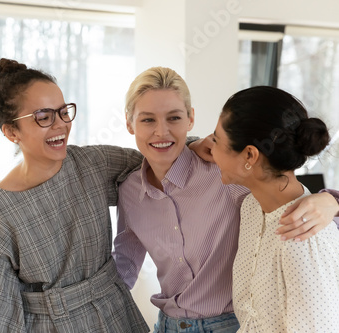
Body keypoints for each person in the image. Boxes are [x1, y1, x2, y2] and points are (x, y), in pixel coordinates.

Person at [112, 67, 339, 333]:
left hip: (227, 325)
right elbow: (124, 265)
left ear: (190, 119)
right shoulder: (130, 191)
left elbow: (278, 183)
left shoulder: (224, 176)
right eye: (148, 120)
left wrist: (332, 201)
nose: (161, 132)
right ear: (129, 122)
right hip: (168, 325)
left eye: (173, 117)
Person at [0, 58, 149, 332]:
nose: (60, 125)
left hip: (116, 316)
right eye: (43, 117)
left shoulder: (92, 163)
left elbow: (157, 161)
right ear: (10, 131)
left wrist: (200, 146)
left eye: (63, 111)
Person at [211, 86, 339, 332]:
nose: (211, 149)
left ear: (250, 155)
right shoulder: (250, 206)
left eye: (216, 140)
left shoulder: (304, 237)